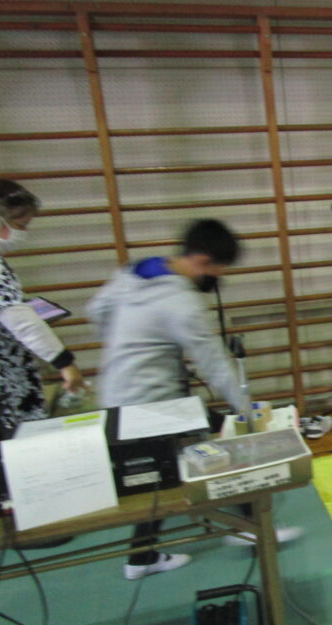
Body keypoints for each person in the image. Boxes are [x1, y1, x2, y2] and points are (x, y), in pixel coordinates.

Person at [88, 219, 251, 580]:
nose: (220, 277)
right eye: (221, 269)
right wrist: (247, 411)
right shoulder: (182, 302)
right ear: (204, 262)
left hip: (116, 391)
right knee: (211, 445)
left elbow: (96, 310)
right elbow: (214, 363)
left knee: (166, 467)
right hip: (149, 401)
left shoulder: (135, 271)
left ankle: (143, 556)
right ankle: (249, 525)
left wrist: (127, 346)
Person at [0, 180, 85, 430]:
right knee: (6, 434)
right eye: (19, 225)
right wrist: (65, 363)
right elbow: (20, 320)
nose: (22, 233)